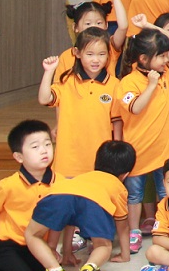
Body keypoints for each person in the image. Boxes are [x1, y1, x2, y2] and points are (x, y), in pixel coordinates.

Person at [25, 140, 136, 271]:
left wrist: (67, 252)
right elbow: (122, 226)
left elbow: (69, 220)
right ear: (125, 175)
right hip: (94, 202)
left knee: (32, 234)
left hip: (57, 193)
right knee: (103, 245)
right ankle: (90, 268)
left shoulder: (82, 177)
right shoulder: (118, 187)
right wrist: (125, 255)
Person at [112, 29, 169, 252]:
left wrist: (147, 25)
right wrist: (152, 85)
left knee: (167, 191)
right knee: (134, 193)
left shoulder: (164, 72)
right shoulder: (128, 82)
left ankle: (168, 230)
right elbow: (135, 108)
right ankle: (134, 231)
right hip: (139, 150)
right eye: (161, 56)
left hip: (167, 148)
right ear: (144, 59)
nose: (166, 59)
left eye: (165, 55)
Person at [0, 120, 57, 271]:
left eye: (47, 144)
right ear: (19, 157)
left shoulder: (59, 182)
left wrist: (52, 248)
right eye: (35, 147)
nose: (44, 150)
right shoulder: (8, 185)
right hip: (8, 244)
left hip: (36, 244)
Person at [39, 29, 116, 180]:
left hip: (100, 161)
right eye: (90, 54)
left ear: (108, 54)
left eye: (101, 54)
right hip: (68, 160)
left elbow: (117, 123)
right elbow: (44, 99)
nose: (96, 60)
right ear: (77, 53)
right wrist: (48, 72)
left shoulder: (115, 85)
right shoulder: (66, 81)